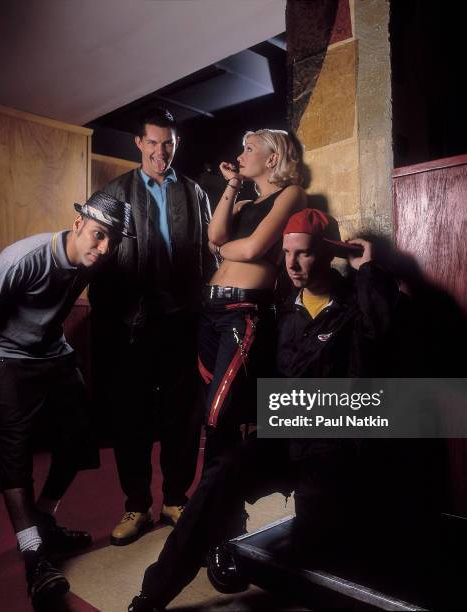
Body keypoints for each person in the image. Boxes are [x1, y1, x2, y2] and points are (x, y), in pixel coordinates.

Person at [127, 208, 399, 612]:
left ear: (326, 255)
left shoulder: (353, 305)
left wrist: (368, 269)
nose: (291, 264)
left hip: (333, 450)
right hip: (284, 440)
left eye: (303, 254)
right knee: (222, 472)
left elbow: (384, 332)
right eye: (287, 253)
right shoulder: (283, 309)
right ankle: (153, 594)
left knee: (317, 555)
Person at [0, 192, 134, 609]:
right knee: (14, 448)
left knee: (80, 439)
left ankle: (43, 520)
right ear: (77, 225)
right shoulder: (22, 259)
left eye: (112, 240)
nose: (104, 248)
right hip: (5, 352)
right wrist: (9, 343)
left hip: (53, 353)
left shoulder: (95, 259)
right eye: (98, 235)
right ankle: (33, 554)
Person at [88, 107, 213, 546]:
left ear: (175, 144)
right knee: (132, 417)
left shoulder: (196, 193)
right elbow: (97, 263)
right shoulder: (114, 191)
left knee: (183, 415)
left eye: (169, 143)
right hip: (133, 325)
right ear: (138, 144)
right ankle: (137, 505)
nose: (161, 152)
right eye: (153, 143)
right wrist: (113, 322)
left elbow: (209, 256)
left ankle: (175, 498)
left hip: (182, 320)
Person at [197, 129, 306, 562]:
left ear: (274, 156)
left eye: (249, 149)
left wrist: (227, 250)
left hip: (244, 311)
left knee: (217, 416)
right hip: (208, 313)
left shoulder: (291, 194)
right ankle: (224, 521)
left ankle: (214, 519)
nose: (240, 155)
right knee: (217, 416)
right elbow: (215, 236)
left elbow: (258, 246)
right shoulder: (243, 200)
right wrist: (231, 186)